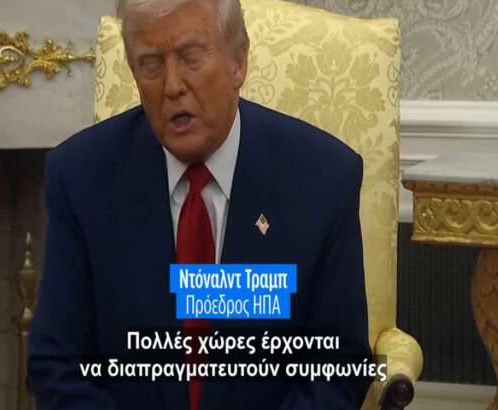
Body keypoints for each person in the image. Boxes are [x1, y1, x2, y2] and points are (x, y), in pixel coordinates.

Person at [27, 0, 372, 409]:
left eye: (191, 57)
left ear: (238, 63)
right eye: (152, 64)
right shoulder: (81, 178)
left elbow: (339, 368)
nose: (172, 86)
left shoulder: (323, 180)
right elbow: (56, 366)